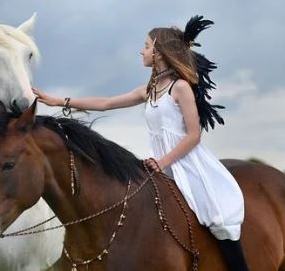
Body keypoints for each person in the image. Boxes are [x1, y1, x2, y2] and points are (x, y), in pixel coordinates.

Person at [33, 16, 249, 271]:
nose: (141, 50)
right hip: (157, 164)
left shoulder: (180, 88)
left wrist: (163, 161)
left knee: (217, 216)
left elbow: (193, 135)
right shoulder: (150, 88)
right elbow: (107, 103)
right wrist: (61, 101)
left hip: (186, 163)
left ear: (159, 53)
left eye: (146, 46)